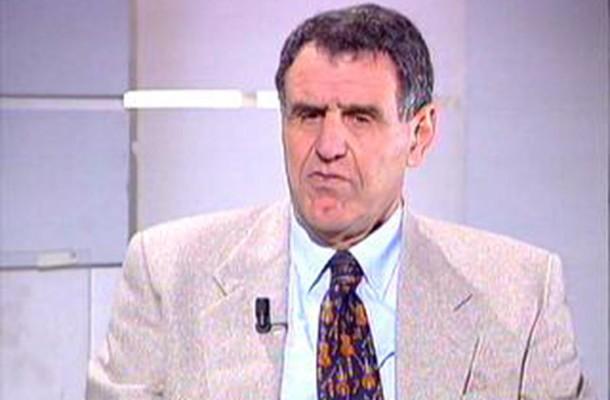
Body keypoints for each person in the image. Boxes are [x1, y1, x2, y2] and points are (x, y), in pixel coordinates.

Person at [87, 3, 593, 399]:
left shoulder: (521, 294)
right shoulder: (169, 273)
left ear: (419, 135)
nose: (328, 146)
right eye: (308, 115)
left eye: (359, 118)